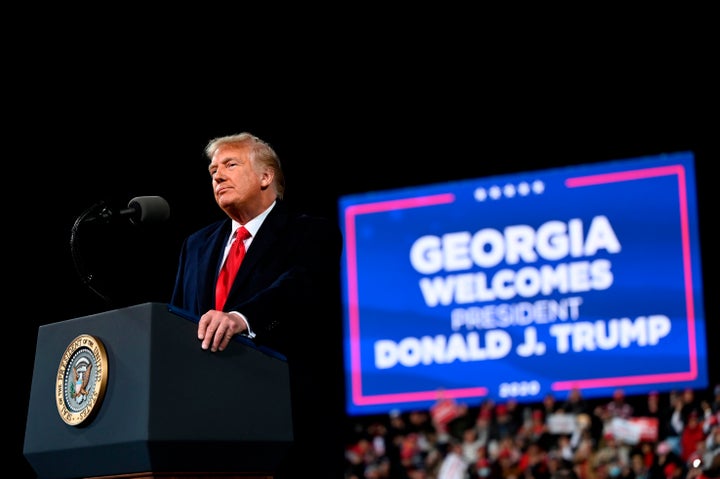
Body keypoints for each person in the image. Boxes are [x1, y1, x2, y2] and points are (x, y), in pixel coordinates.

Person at [170, 132, 344, 478]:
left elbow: (299, 286)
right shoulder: (196, 245)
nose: (217, 175)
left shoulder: (311, 233)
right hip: (203, 427)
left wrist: (240, 318)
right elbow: (177, 318)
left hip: (287, 424)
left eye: (230, 165)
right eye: (212, 170)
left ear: (266, 177)